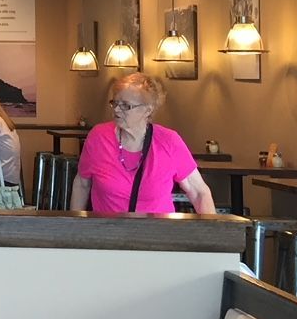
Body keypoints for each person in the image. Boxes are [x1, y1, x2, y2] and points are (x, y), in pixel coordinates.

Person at [72, 72, 215, 215]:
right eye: (115, 103)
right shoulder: (98, 138)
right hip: (109, 233)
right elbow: (82, 184)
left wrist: (212, 232)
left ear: (148, 110)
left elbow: (199, 192)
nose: (116, 109)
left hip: (157, 234)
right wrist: (74, 226)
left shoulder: (169, 141)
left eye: (126, 106)